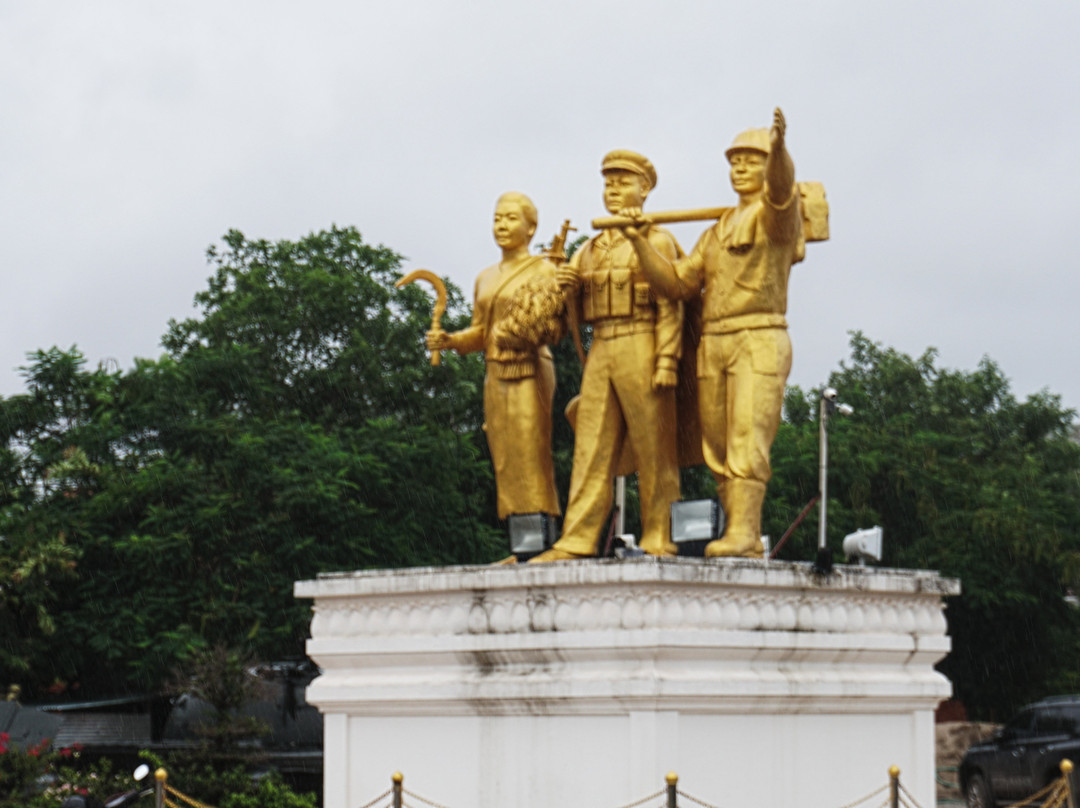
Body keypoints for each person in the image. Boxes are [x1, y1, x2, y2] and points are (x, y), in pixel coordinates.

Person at [623, 108, 804, 558]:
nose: (740, 168)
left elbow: (782, 192)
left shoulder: (777, 219)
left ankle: (744, 531)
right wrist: (639, 242)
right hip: (715, 340)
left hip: (758, 336)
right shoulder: (714, 232)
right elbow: (676, 284)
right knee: (718, 445)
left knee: (746, 438)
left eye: (751, 160)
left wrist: (779, 150)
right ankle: (738, 530)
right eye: (734, 161)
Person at [531, 150, 683, 561]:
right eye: (608, 183)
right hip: (602, 346)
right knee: (591, 447)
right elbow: (574, 315)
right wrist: (568, 289)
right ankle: (577, 538)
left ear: (644, 189)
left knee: (654, 446)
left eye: (623, 182)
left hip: (642, 341)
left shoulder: (657, 240)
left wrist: (667, 358)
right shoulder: (589, 247)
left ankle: (660, 535)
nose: (613, 189)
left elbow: (672, 302)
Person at [427, 192, 561, 521]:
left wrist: (522, 332)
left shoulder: (544, 270)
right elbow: (481, 332)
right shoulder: (485, 278)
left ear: (531, 228)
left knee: (530, 447)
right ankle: (516, 526)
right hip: (495, 371)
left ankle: (539, 523)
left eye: (511, 219)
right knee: (503, 452)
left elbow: (550, 325)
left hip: (530, 367)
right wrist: (450, 340)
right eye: (497, 219)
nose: (501, 225)